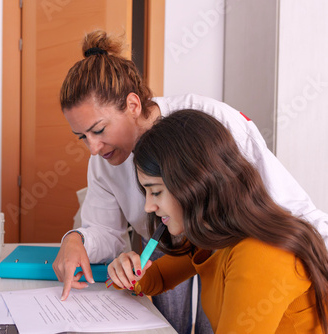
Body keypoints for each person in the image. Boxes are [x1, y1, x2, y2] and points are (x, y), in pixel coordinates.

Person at [52, 30, 328, 334]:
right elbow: (149, 270)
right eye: (82, 138)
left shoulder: (212, 123)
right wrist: (92, 249)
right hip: (187, 234)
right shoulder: (208, 239)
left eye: (99, 130)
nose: (92, 148)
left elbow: (291, 212)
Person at [107, 109, 328, 333]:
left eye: (155, 192)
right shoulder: (213, 235)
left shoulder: (259, 252)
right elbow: (159, 276)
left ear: (193, 183)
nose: (148, 207)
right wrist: (127, 272)